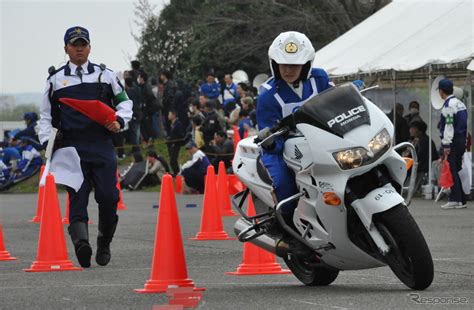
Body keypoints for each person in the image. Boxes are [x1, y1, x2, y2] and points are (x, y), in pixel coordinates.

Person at [38, 26, 133, 268]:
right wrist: (46, 143)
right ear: (66, 48)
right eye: (74, 44)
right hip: (71, 149)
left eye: (83, 44)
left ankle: (104, 242)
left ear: (90, 47)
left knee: (109, 197)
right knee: (77, 198)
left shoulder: (107, 76)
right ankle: (82, 245)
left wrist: (119, 121)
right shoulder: (55, 80)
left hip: (101, 145)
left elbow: (125, 103)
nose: (79, 48)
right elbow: (46, 117)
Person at [256, 31, 332, 230]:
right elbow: (268, 134)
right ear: (275, 64)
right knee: (284, 182)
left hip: (320, 140)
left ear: (306, 65)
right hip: (282, 149)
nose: (288, 70)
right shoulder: (267, 95)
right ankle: (286, 225)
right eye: (283, 64)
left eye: (294, 65)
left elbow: (334, 102)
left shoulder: (320, 79)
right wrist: (272, 141)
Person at [437, 78, 468, 209]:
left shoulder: (449, 105)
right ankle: (461, 199)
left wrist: (446, 145)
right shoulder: (460, 104)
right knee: (455, 168)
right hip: (461, 139)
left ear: (441, 91)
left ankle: (455, 199)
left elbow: (449, 126)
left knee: (452, 169)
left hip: (453, 141)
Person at [408, 121, 438, 193]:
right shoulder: (417, 140)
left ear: (420, 130)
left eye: (413, 128)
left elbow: (419, 155)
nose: (410, 130)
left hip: (424, 165)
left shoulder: (423, 140)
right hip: (422, 164)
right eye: (410, 128)